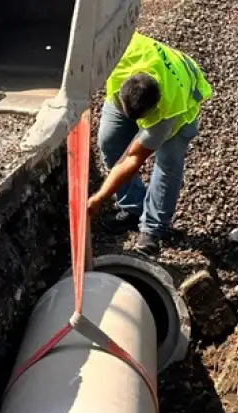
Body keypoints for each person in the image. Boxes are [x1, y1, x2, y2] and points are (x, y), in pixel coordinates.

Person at [87, 32, 213, 257]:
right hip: (136, 85)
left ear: (153, 108)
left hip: (182, 98)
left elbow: (133, 158)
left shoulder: (167, 110)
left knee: (167, 165)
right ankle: (133, 207)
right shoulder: (119, 53)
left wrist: (99, 197)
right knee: (109, 140)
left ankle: (152, 229)